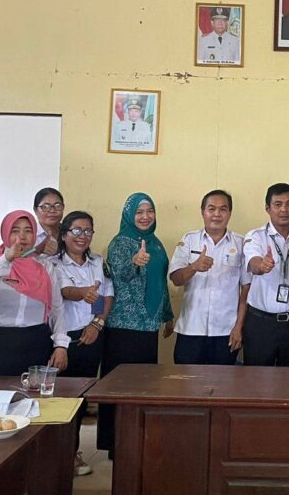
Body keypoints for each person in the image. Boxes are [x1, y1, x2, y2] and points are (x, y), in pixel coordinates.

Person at [97, 193, 173, 457]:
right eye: (139, 212)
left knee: (143, 385)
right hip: (123, 326)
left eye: (149, 211)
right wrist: (134, 262)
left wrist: (167, 315)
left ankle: (136, 441)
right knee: (119, 386)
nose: (145, 216)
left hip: (148, 325)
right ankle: (114, 444)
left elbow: (161, 281)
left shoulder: (156, 244)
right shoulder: (120, 242)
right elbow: (117, 274)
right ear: (129, 215)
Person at [52, 210, 113, 477]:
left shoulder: (97, 262)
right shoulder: (54, 264)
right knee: (57, 399)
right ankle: (54, 454)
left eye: (88, 231)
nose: (82, 236)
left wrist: (97, 323)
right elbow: (64, 293)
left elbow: (105, 296)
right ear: (64, 234)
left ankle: (72, 452)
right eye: (76, 230)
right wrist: (83, 293)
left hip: (90, 336)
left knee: (80, 399)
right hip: (61, 338)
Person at [0, 211, 69, 376]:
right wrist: (6, 260)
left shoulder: (45, 267)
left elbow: (57, 308)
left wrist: (60, 345)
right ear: (5, 233)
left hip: (35, 341)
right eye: (15, 230)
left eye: (28, 230)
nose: (22, 236)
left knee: (34, 392)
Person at [169, 190, 245, 366]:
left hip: (226, 331)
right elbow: (176, 279)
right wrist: (194, 267)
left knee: (222, 381)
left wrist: (239, 328)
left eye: (223, 209)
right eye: (211, 209)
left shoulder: (241, 243)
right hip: (191, 328)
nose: (217, 214)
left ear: (230, 213)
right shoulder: (189, 240)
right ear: (203, 211)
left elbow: (246, 290)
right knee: (185, 380)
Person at [237, 183, 289, 366]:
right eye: (278, 204)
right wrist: (261, 265)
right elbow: (253, 263)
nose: (284, 210)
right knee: (256, 377)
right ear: (268, 208)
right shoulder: (256, 236)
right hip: (260, 323)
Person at [34, 187, 65, 257]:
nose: (52, 211)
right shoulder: (28, 234)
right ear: (35, 210)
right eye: (45, 207)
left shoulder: (69, 232)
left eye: (57, 206)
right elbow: (17, 257)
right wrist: (37, 250)